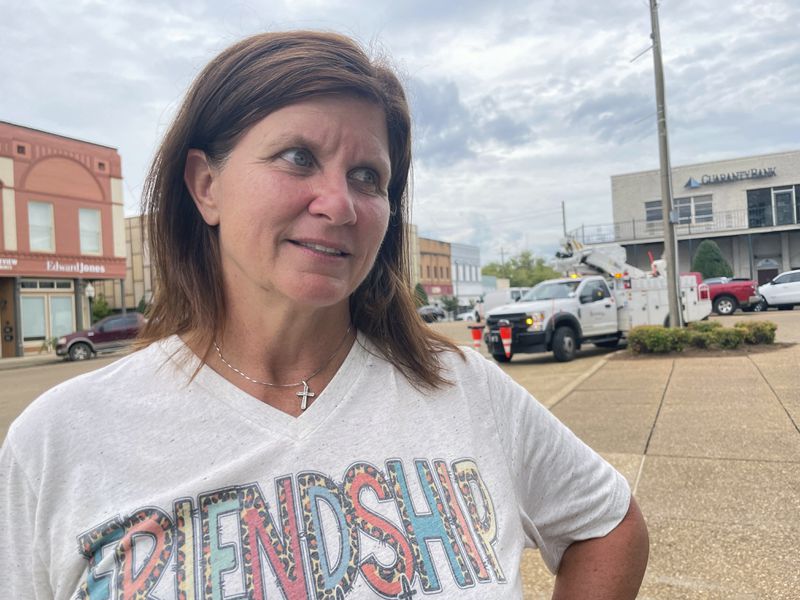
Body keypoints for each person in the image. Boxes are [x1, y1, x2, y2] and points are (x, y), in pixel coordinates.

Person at [0, 31, 648, 598]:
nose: (339, 204)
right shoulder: (61, 442)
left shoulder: (464, 389)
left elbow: (610, 525)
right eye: (298, 158)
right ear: (206, 185)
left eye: (369, 177)